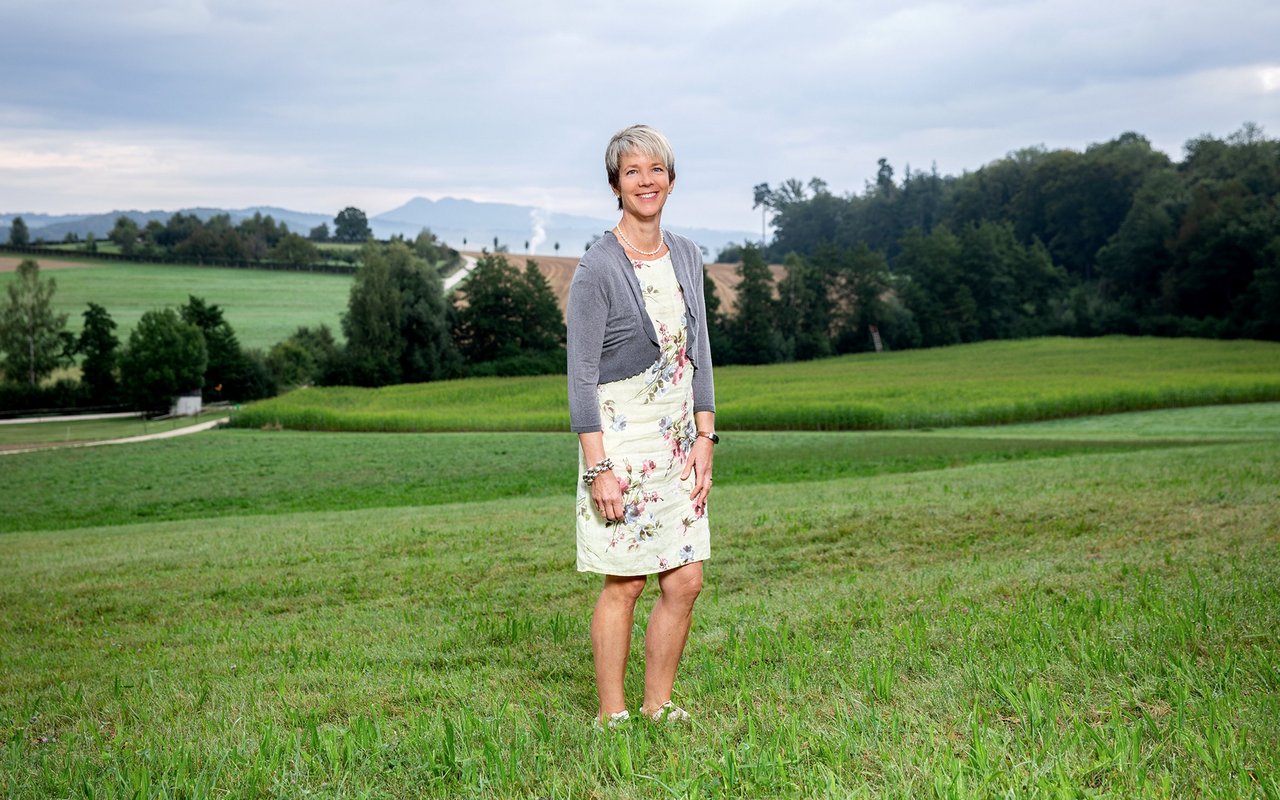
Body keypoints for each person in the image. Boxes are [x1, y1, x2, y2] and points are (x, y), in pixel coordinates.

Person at [566, 124, 719, 728]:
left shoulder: (687, 255)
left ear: (671, 181)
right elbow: (580, 379)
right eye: (632, 171)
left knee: (685, 580)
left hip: (678, 444)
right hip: (622, 447)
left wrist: (706, 436)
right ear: (616, 185)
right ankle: (613, 714)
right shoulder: (597, 267)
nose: (646, 181)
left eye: (656, 170)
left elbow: (699, 354)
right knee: (625, 583)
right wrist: (598, 467)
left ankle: (658, 704)